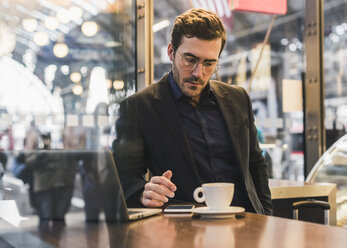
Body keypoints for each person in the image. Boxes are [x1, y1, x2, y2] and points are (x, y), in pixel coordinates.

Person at [113, 8, 272, 215]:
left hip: (247, 221)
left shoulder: (238, 98)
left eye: (209, 63)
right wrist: (143, 192)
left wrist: (267, 217)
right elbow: (122, 176)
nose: (199, 72)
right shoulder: (139, 108)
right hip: (183, 226)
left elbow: (255, 165)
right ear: (171, 52)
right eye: (190, 59)